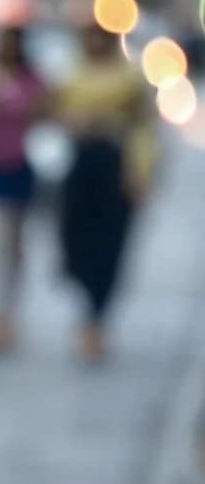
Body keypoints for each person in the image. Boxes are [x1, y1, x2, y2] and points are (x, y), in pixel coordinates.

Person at [50, 21, 158, 363]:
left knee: (110, 243)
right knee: (74, 239)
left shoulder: (131, 78)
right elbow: (51, 112)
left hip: (115, 167)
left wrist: (140, 173)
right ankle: (87, 305)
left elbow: (145, 128)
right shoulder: (70, 74)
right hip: (79, 166)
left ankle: (96, 320)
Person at [0, 25, 47, 354]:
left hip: (20, 165)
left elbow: (40, 111)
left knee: (14, 244)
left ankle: (8, 313)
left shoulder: (32, 81)